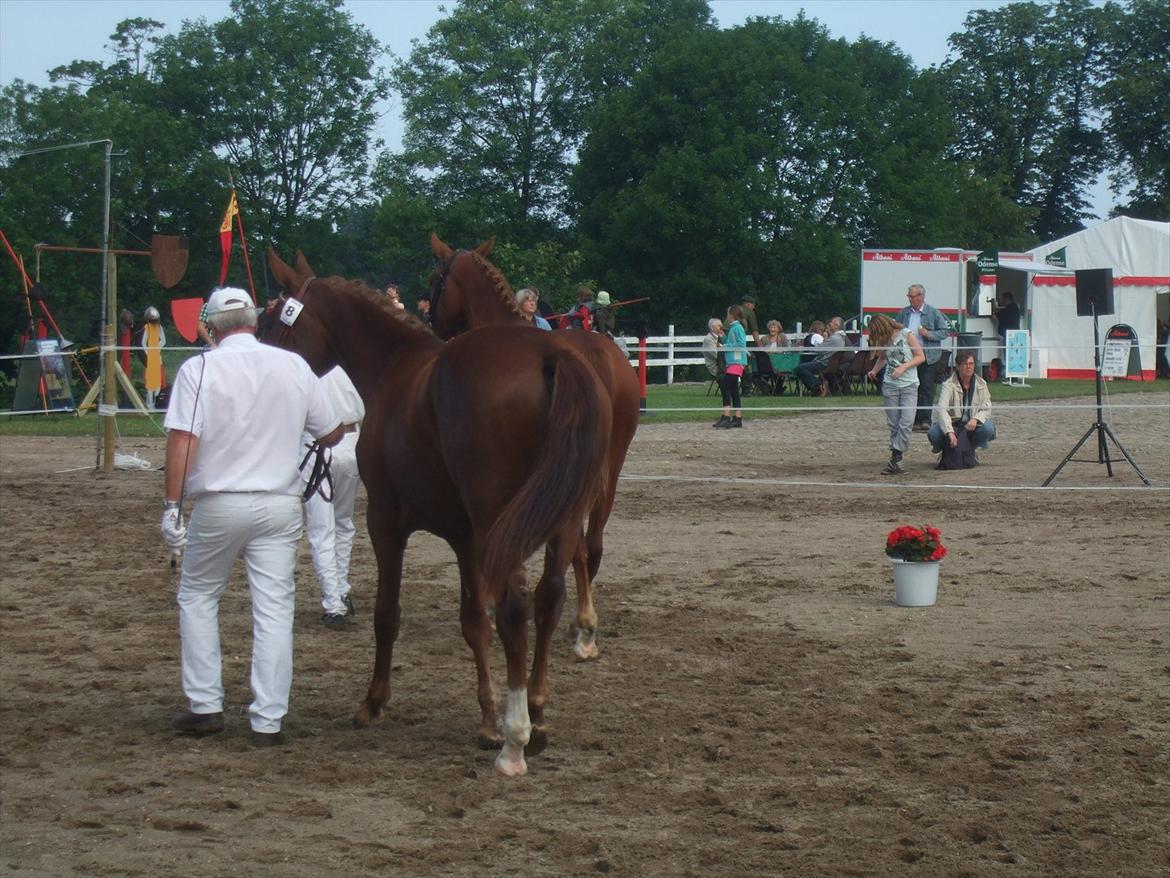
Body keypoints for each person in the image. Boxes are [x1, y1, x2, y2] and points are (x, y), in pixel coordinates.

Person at [161, 286, 343, 747]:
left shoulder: (198, 369)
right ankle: (268, 720)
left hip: (220, 502)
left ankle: (205, 704)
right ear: (255, 321)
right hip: (280, 503)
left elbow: (182, 439)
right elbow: (331, 432)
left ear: (212, 327)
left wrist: (170, 507)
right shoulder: (293, 366)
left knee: (199, 596)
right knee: (275, 610)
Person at [304, 366, 364, 628]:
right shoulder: (352, 362)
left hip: (316, 444)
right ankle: (340, 589)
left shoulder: (305, 365)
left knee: (322, 528)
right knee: (343, 522)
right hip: (352, 442)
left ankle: (334, 601)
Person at [866, 312, 925, 475]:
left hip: (909, 385)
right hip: (890, 385)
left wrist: (903, 367)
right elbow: (883, 357)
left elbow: (920, 357)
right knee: (894, 424)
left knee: (906, 422)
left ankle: (896, 454)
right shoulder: (885, 340)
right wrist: (875, 370)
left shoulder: (906, 335)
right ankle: (896, 459)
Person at [897, 283, 951, 432]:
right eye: (909, 296)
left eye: (912, 296)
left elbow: (945, 331)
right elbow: (895, 330)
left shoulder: (933, 313)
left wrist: (929, 334)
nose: (910, 299)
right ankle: (912, 419)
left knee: (926, 387)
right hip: (909, 357)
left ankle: (925, 419)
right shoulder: (904, 314)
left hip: (928, 357)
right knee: (911, 388)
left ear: (921, 297)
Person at [929, 350, 995, 464]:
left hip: (972, 425)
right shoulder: (948, 385)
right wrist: (949, 432)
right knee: (934, 433)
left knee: (988, 428)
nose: (968, 367)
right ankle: (945, 450)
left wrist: (976, 419)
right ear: (958, 366)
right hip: (953, 424)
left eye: (971, 364)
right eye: (965, 364)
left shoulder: (982, 384)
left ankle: (971, 451)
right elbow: (942, 409)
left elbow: (987, 407)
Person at [715, 304, 748, 429]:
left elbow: (740, 344)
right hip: (733, 362)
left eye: (728, 314)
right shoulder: (734, 328)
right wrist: (723, 337)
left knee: (725, 386)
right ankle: (737, 418)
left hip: (737, 361)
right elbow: (732, 343)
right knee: (733, 390)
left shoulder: (738, 328)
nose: (727, 316)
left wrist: (724, 347)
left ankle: (726, 416)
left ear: (732, 315)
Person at [796, 316, 846, 397]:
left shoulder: (834, 338)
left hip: (824, 363)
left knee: (800, 368)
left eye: (832, 323)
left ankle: (819, 385)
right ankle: (817, 387)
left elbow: (819, 349)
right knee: (803, 367)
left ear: (836, 325)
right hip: (831, 364)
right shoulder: (841, 337)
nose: (829, 324)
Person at [139, 305, 167, 409]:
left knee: (158, 383)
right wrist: (149, 352)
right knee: (150, 383)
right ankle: (149, 405)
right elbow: (143, 343)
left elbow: (163, 341)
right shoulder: (147, 328)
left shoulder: (160, 328)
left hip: (157, 358)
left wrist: (156, 350)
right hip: (150, 359)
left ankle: (156, 402)